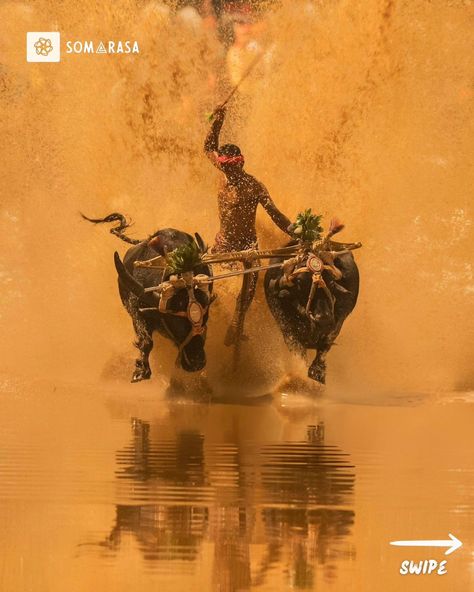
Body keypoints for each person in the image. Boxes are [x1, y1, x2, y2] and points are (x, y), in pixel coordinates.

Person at [204, 105, 292, 346]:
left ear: (241, 164)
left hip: (248, 246)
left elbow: (275, 214)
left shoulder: (254, 186)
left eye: (234, 167)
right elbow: (208, 148)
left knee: (249, 288)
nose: (230, 172)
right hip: (223, 245)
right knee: (208, 284)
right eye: (226, 167)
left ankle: (236, 324)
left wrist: (296, 231)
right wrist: (218, 121)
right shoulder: (222, 175)